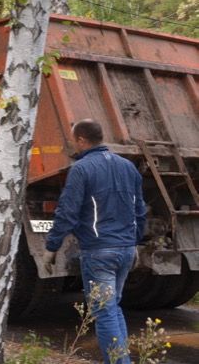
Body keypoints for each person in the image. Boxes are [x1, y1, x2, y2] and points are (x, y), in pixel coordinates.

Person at [43, 119, 146, 364]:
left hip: (99, 252)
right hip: (126, 249)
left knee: (104, 312)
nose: (72, 145)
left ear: (81, 140)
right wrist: (135, 242)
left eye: (73, 140)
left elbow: (67, 211)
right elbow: (140, 210)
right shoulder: (128, 167)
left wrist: (51, 247)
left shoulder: (81, 169)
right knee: (113, 307)